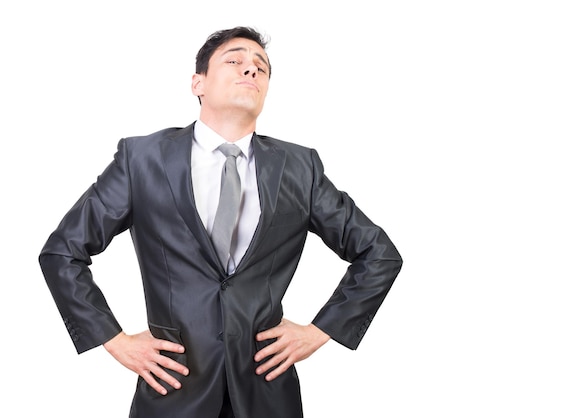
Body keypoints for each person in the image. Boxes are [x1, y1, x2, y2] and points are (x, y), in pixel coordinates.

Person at [39, 26, 402, 418]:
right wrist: (113, 339)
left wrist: (320, 331)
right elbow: (63, 251)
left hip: (267, 392)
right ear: (199, 83)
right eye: (235, 61)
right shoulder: (141, 159)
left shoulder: (300, 168)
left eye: (261, 68)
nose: (251, 70)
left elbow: (378, 254)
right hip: (174, 388)